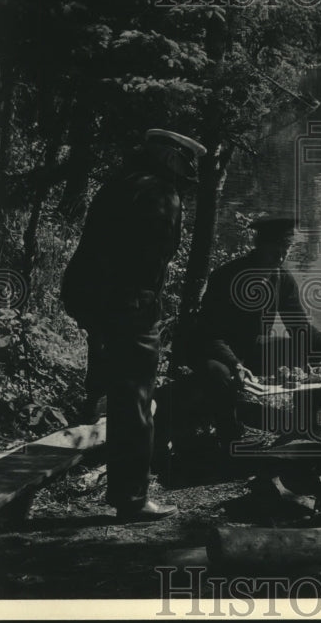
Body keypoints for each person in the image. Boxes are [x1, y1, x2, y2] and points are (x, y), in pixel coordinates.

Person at [61, 128, 206, 522]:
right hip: (129, 304)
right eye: (184, 163)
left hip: (89, 296)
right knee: (136, 401)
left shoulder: (121, 183)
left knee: (116, 383)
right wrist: (142, 311)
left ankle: (95, 429)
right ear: (171, 159)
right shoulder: (161, 193)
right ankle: (132, 498)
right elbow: (151, 258)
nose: (187, 172)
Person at [183, 217, 321, 444]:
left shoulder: (282, 279)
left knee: (306, 355)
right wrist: (235, 363)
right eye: (275, 250)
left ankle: (305, 428)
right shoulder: (227, 276)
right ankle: (229, 434)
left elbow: (299, 326)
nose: (281, 257)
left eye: (286, 250)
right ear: (259, 245)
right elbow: (209, 332)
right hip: (215, 351)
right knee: (222, 376)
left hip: (250, 347)